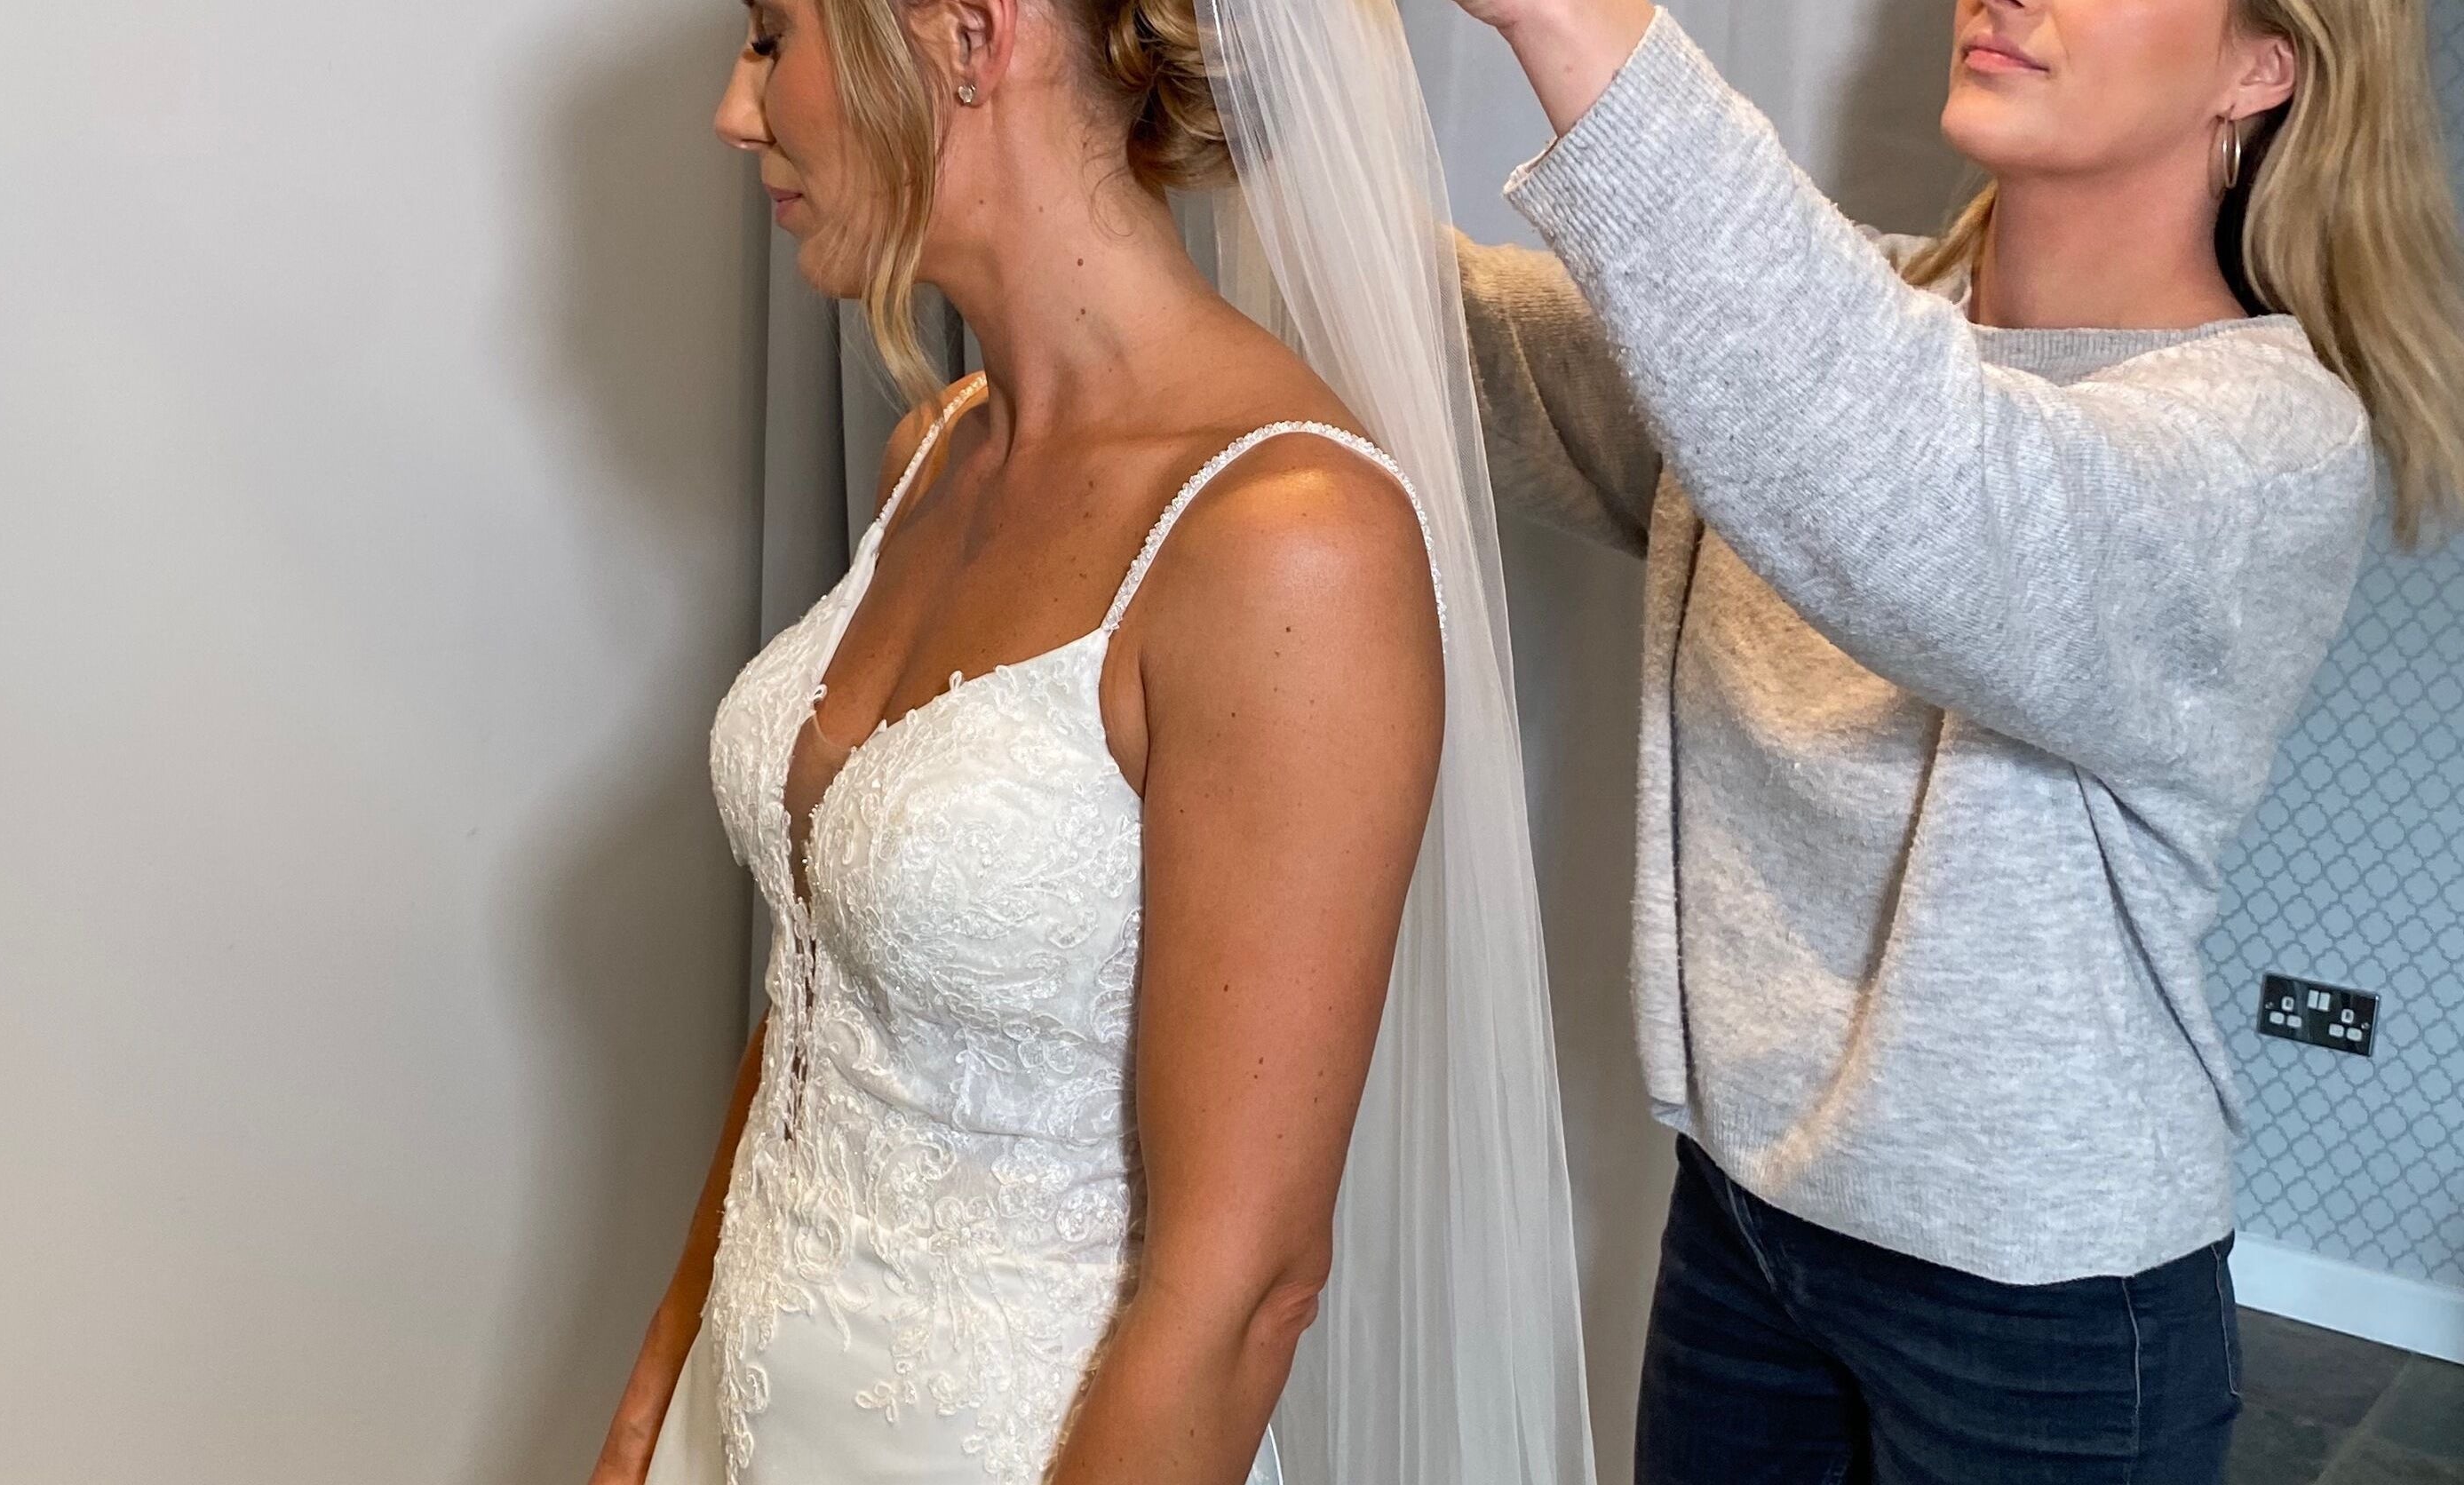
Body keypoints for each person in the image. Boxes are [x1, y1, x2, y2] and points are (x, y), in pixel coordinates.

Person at [1449, 0, 2464, 1479]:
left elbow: (1921, 490)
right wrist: (1216, 117)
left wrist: (1576, 24)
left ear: (2262, 68)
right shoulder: (1838, 335)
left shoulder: (2269, 449)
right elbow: (1467, 337)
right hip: (1743, 1224)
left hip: (2037, 1302)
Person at [587, 0, 1593, 1478]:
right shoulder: (937, 453)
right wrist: (645, 1417)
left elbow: (1245, 1288)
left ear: (969, 37)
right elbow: (819, 996)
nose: (739, 115)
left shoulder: (1289, 543)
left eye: (771, 36)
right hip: (740, 1418)